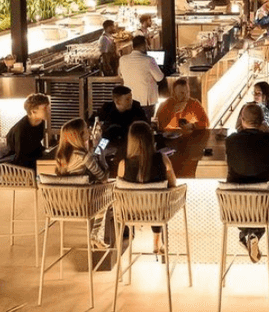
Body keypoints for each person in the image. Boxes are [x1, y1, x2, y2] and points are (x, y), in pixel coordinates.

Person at [225, 103, 269, 262]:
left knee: (245, 211)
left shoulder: (231, 141)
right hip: (263, 206)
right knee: (258, 212)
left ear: (241, 120)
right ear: (262, 121)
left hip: (234, 207)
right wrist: (267, 132)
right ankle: (252, 234)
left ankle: (246, 234)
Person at [117, 121, 177, 254]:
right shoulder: (163, 159)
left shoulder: (123, 164)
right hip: (158, 211)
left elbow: (119, 190)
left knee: (147, 199)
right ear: (151, 139)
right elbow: (173, 184)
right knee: (157, 199)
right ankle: (157, 241)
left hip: (131, 212)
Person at [55, 118, 109, 247]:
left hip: (62, 204)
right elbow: (103, 178)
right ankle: (95, 235)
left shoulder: (61, 155)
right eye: (86, 129)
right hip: (82, 204)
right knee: (106, 195)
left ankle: (95, 236)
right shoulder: (83, 155)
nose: (89, 131)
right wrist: (102, 158)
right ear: (80, 135)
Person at [118, 35, 165, 120]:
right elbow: (159, 78)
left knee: (132, 123)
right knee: (145, 124)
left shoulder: (122, 59)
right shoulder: (149, 60)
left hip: (130, 100)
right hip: (145, 101)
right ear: (144, 45)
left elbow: (120, 75)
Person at [96, 85, 148, 160]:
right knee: (97, 153)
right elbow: (94, 122)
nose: (131, 101)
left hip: (130, 142)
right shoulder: (107, 108)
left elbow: (145, 125)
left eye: (131, 98)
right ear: (118, 101)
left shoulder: (136, 107)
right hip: (108, 139)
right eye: (127, 99)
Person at [6, 93, 50, 170]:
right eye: (45, 108)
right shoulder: (21, 130)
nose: (49, 110)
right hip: (18, 169)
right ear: (33, 111)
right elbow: (20, 158)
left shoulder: (41, 123)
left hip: (32, 163)